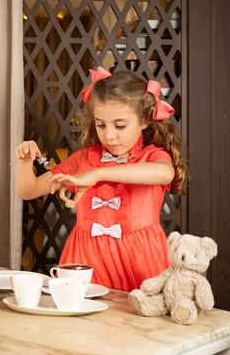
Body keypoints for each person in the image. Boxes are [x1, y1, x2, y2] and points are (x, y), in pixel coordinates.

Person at [16, 67, 188, 292]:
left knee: (141, 323)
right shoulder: (84, 159)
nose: (109, 135)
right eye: (100, 124)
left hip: (139, 260)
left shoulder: (152, 156)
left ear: (145, 120)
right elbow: (28, 190)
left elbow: (164, 173)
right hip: (87, 260)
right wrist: (25, 161)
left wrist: (98, 174)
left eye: (120, 125)